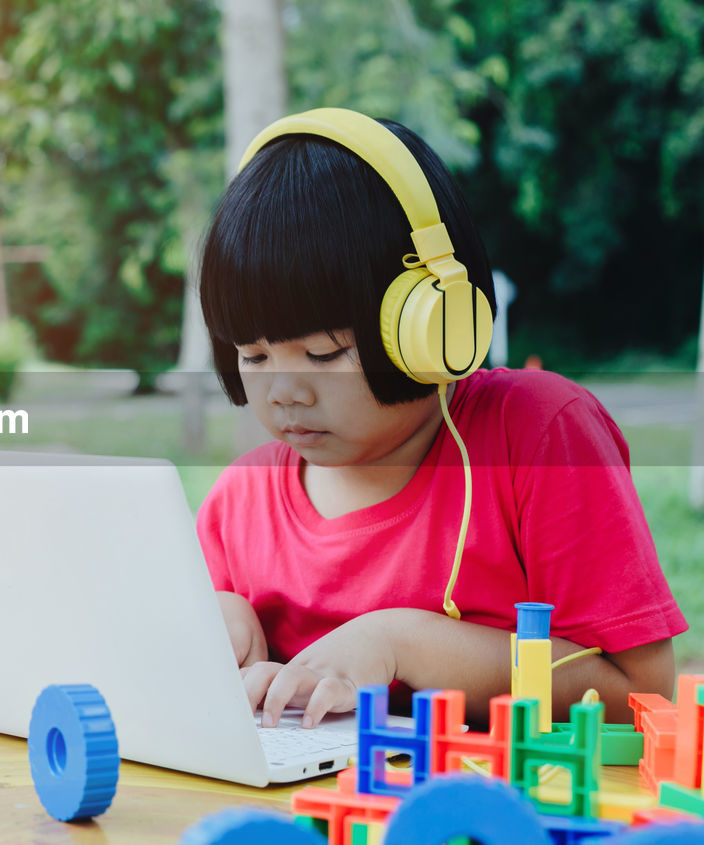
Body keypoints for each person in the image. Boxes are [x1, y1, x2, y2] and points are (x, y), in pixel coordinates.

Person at [195, 108, 686, 731]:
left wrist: (405, 644)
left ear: (433, 323)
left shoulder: (538, 435)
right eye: (253, 355)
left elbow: (643, 695)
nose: (284, 391)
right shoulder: (240, 502)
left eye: (323, 353)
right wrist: (221, 624)